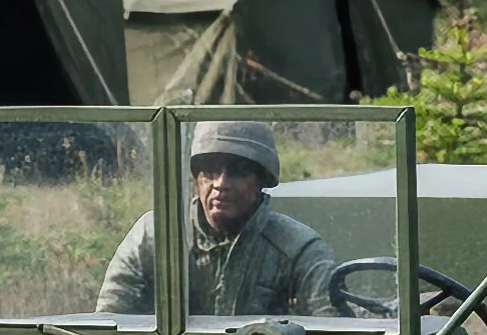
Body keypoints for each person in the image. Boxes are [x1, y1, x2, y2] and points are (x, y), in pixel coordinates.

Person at [95, 121, 337, 319]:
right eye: (210, 171)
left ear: (261, 181)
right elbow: (109, 322)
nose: (220, 184)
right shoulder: (155, 236)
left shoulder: (298, 249)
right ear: (196, 180)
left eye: (238, 171)